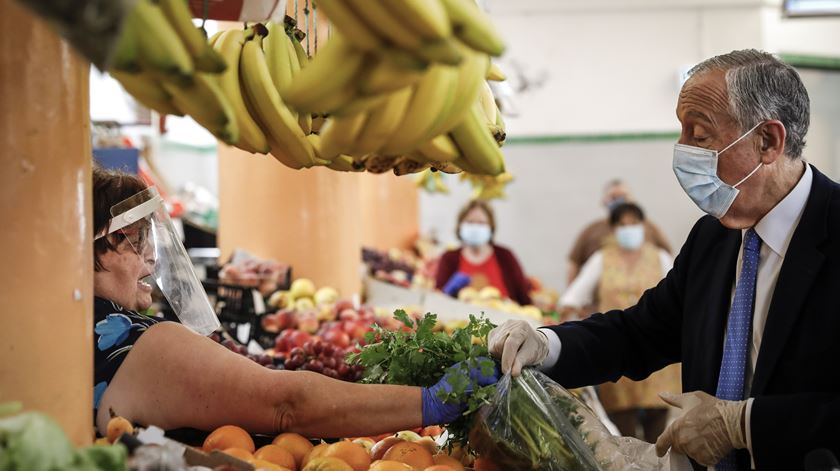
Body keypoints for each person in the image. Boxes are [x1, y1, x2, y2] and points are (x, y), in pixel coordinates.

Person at [488, 49, 840, 471]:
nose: (681, 149)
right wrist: (547, 345)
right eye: (681, 131)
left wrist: (745, 424)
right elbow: (641, 332)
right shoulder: (713, 237)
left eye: (699, 134)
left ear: (767, 141)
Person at [92, 167, 498, 438]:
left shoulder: (66, 325)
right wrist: (428, 402)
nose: (151, 257)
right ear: (99, 246)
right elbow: (286, 405)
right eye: (134, 239)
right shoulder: (138, 344)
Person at [560, 202, 680, 443]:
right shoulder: (601, 259)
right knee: (623, 433)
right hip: (617, 348)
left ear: (644, 226)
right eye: (623, 225)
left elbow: (681, 295)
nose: (629, 229)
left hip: (657, 351)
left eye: (634, 223)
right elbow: (573, 296)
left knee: (657, 431)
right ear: (613, 229)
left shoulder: (660, 257)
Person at [567, 179, 671, 285]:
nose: (619, 201)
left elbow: (668, 256)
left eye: (623, 196)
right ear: (604, 200)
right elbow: (574, 263)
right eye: (613, 197)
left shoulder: (649, 228)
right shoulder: (591, 231)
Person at [435, 200, 532, 305]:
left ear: (491, 227)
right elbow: (437, 301)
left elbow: (524, 299)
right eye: (470, 222)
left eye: (481, 223)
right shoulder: (449, 258)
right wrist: (447, 292)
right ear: (460, 226)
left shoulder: (505, 256)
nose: (475, 227)